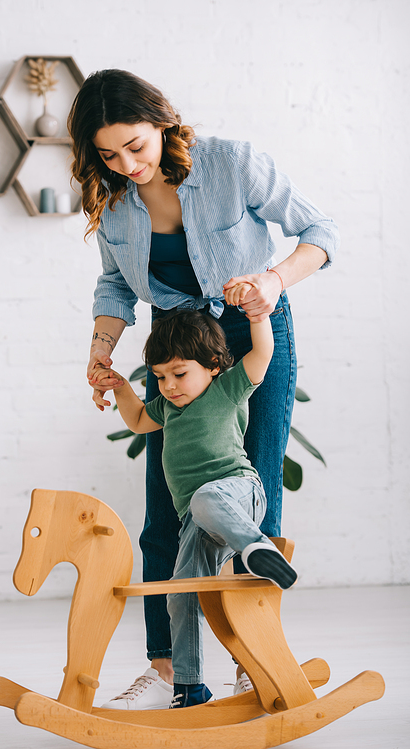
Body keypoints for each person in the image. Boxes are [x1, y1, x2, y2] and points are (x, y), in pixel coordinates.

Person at [67, 68, 339, 709]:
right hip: (174, 346)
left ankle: (254, 659)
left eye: (136, 145)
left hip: (252, 330)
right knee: (164, 508)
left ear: (161, 121)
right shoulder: (111, 197)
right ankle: (166, 668)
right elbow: (114, 286)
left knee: (260, 491)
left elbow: (320, 234)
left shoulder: (234, 164)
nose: (127, 164)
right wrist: (102, 349)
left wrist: (272, 281)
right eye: (108, 155)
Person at [90, 307, 297, 708]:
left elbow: (263, 353)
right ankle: (189, 687)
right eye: (161, 377)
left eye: (179, 374)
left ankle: (257, 548)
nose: (168, 386)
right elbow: (135, 419)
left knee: (206, 497)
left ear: (213, 366)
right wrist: (119, 386)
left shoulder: (228, 388)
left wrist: (257, 313)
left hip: (238, 496)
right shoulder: (167, 408)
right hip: (196, 522)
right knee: (181, 596)